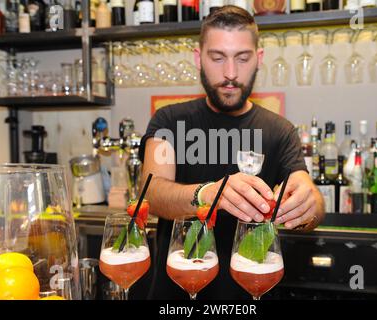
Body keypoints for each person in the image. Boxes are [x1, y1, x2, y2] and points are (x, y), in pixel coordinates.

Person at [139, 5, 325, 299]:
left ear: (258, 59)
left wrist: (308, 206)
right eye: (217, 58)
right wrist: (209, 194)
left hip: (253, 294)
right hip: (177, 295)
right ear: (198, 58)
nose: (230, 73)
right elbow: (150, 191)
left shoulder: (279, 130)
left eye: (242, 58)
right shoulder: (169, 121)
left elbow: (311, 200)